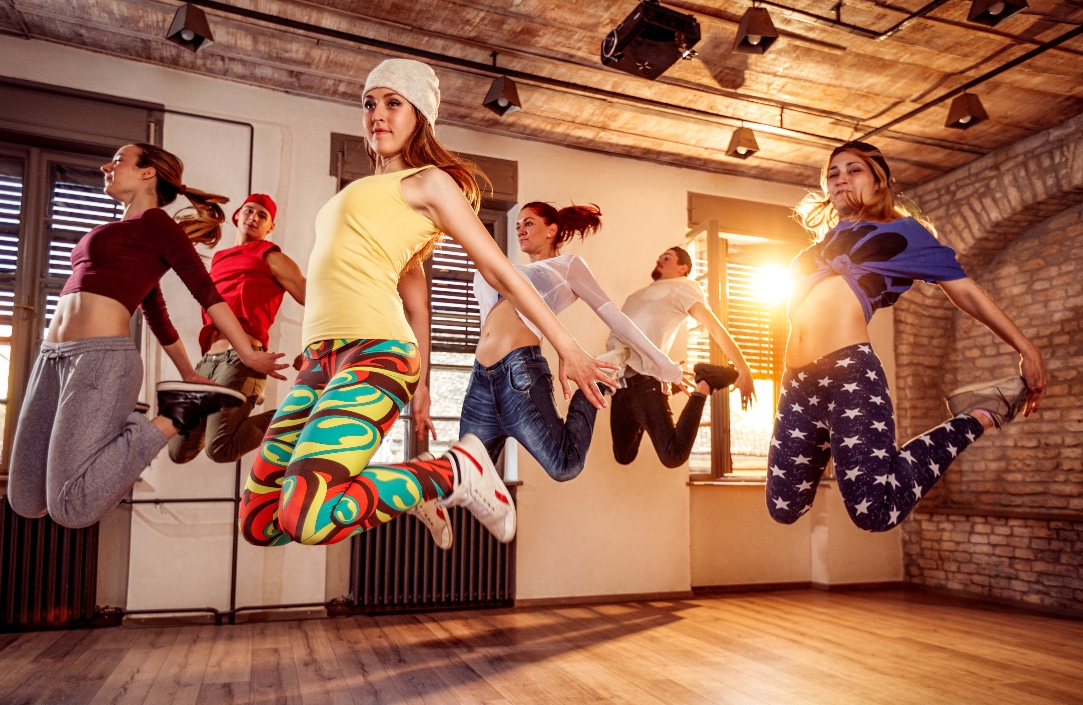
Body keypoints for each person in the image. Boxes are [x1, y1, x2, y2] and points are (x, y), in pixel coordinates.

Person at [238, 59, 616, 550]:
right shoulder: (363, 192)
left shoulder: (429, 183)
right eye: (370, 104)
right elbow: (417, 304)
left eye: (394, 103)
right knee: (262, 521)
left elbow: (500, 270)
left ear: (419, 115)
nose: (378, 115)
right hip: (319, 361)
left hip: (376, 353)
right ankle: (420, 487)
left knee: (309, 519)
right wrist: (423, 391)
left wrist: (568, 348)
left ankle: (458, 468)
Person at [766, 141, 1048, 532]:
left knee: (874, 512)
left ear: (879, 181)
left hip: (849, 375)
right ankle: (845, 442)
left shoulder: (903, 233)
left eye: (854, 170)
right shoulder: (821, 245)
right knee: (784, 506)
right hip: (797, 383)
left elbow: (965, 292)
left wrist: (1026, 348)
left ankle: (981, 414)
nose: (841, 179)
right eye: (833, 173)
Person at [8, 143, 288, 529]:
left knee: (71, 509)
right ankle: (177, 401)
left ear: (147, 173)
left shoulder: (157, 225)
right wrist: (189, 372)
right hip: (52, 359)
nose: (107, 166)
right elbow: (156, 314)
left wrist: (249, 354)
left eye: (119, 160)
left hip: (100, 360)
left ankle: (177, 413)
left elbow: (206, 292)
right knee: (25, 498)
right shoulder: (118, 232)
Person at [408, 202, 685, 549]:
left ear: (552, 230)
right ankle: (426, 485)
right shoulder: (501, 269)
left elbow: (615, 317)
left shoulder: (567, 267)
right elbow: (486, 324)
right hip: (481, 380)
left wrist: (665, 366)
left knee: (564, 465)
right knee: (470, 473)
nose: (521, 229)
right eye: (518, 224)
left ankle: (592, 388)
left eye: (529, 223)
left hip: (519, 376)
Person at [167, 193, 306, 465]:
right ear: (237, 215)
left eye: (262, 215)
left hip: (242, 357)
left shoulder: (271, 256)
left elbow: (313, 299)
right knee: (178, 451)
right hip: (208, 362)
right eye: (249, 211)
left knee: (220, 449)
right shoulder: (218, 258)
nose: (253, 217)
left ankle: (302, 412)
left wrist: (313, 349)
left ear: (271, 227)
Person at [608, 246, 755, 469]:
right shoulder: (634, 296)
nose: (659, 260)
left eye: (667, 258)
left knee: (673, 456)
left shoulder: (684, 288)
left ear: (682, 268)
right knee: (623, 455)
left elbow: (715, 328)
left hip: (646, 382)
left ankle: (703, 383)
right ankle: (680, 381)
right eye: (659, 257)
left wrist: (743, 368)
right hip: (620, 384)